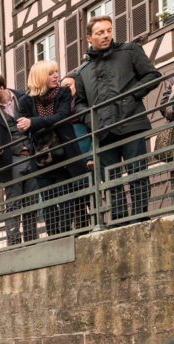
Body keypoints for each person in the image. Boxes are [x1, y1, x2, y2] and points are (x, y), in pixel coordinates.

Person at [74, 14, 161, 224]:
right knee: (111, 181)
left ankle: (140, 216)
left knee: (137, 172)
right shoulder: (82, 71)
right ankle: (120, 220)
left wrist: (131, 95)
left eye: (109, 30)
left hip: (131, 123)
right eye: (100, 32)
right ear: (89, 38)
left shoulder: (130, 51)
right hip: (103, 131)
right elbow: (79, 103)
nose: (106, 35)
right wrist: (90, 119)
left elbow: (152, 75)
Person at [18, 60, 81, 236]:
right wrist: (29, 124)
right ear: (39, 77)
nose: (56, 76)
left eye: (56, 72)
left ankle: (66, 231)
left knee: (66, 195)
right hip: (40, 157)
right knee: (48, 198)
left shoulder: (63, 92)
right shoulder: (25, 101)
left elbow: (61, 116)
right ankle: (54, 235)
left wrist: (33, 122)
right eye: (51, 73)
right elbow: (22, 126)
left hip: (64, 151)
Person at [0, 73, 38, 246]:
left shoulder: (24, 97)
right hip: (10, 161)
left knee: (32, 203)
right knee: (13, 205)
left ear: (1, 88)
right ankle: (15, 244)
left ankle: (32, 242)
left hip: (32, 156)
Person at [61, 72, 93, 229]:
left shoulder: (84, 105)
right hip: (71, 156)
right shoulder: (62, 109)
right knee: (76, 197)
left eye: (68, 86)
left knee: (91, 193)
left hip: (85, 153)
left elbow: (94, 133)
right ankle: (81, 227)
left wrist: (91, 156)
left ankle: (95, 223)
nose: (65, 90)